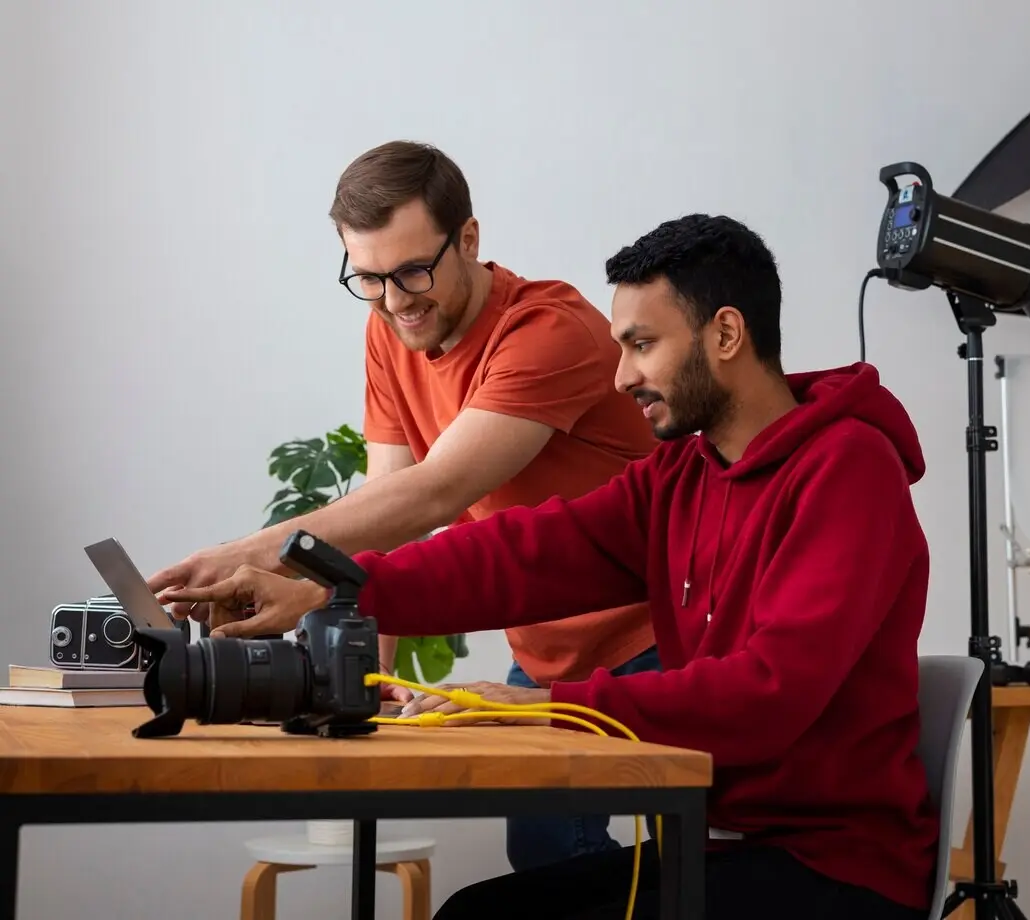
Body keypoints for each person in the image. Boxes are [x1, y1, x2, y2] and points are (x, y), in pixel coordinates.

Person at [158, 213, 939, 920]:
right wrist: (329, 591)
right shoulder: (682, 476)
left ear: (726, 334)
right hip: (720, 846)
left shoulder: (847, 469)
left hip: (836, 869)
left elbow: (770, 692)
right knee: (475, 914)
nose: (621, 376)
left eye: (641, 344)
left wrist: (540, 707)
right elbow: (520, 558)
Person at [146, 139, 662, 872]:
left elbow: (435, 490)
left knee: (635, 866)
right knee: (549, 863)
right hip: (541, 650)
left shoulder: (549, 331)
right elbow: (382, 514)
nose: (394, 302)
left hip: (654, 637)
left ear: (469, 240)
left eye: (414, 271)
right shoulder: (391, 332)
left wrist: (243, 553)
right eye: (369, 278)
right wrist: (363, 684)